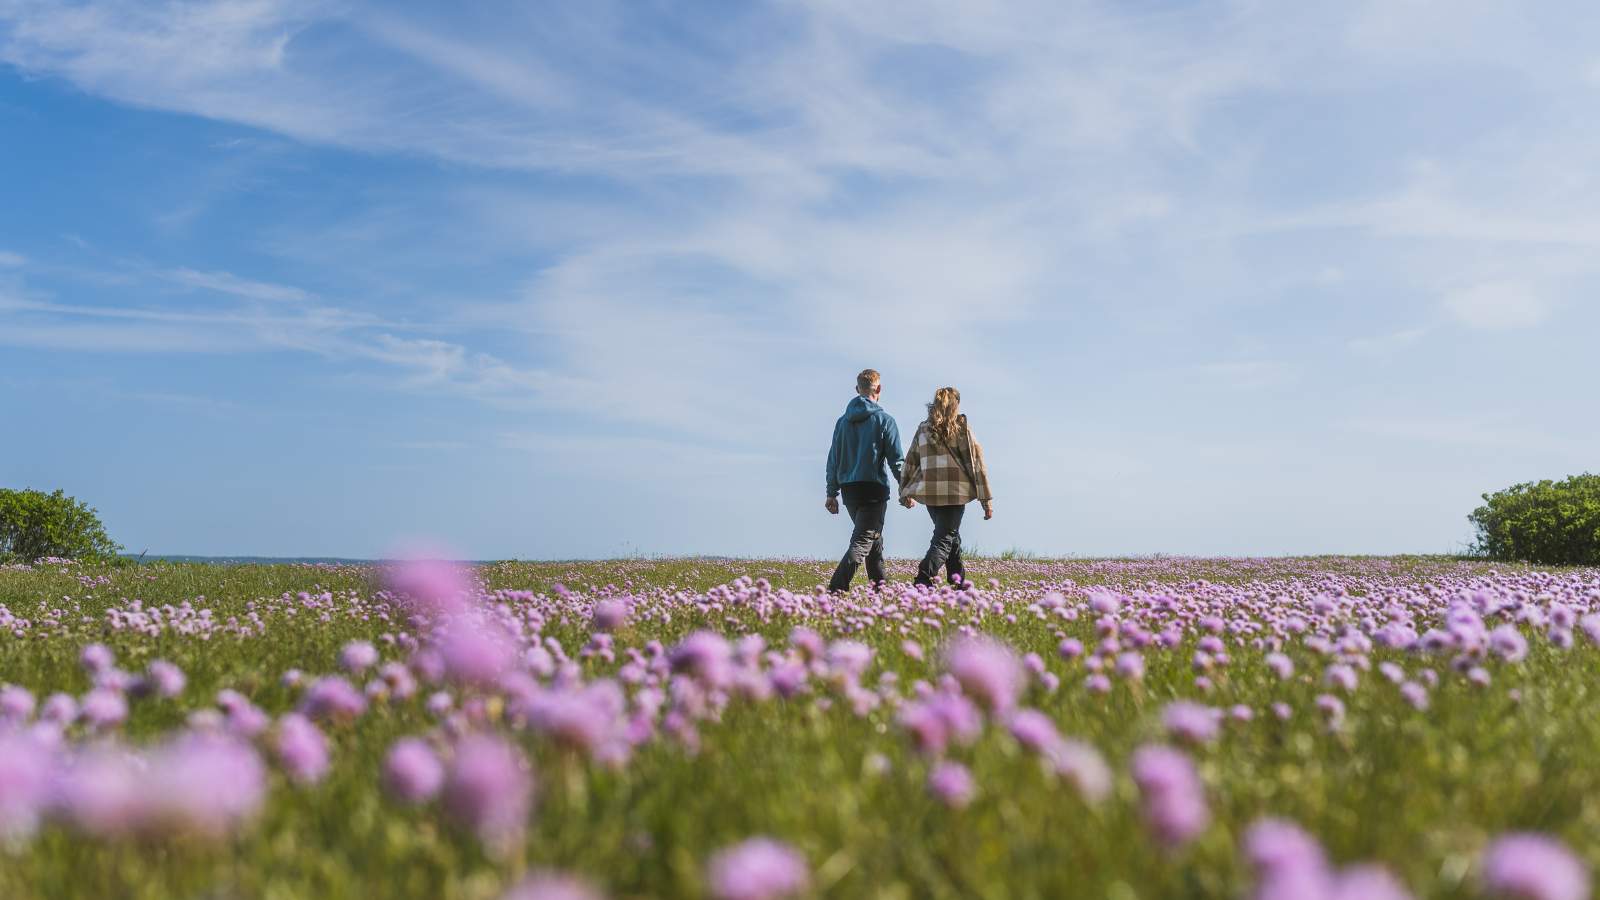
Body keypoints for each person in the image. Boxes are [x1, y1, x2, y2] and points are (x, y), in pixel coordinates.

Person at [898, 386, 993, 588]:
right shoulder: (961, 429)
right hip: (955, 492)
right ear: (955, 404)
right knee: (944, 538)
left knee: (951, 535)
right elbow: (976, 464)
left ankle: (958, 582)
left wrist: (904, 490)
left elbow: (910, 461)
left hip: (931, 493)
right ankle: (923, 579)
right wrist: (986, 500)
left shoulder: (923, 429)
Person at [825, 369, 907, 592]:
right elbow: (896, 461)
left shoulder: (842, 423)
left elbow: (833, 458)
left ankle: (880, 589)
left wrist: (831, 492)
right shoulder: (885, 421)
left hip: (849, 490)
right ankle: (835, 588)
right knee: (863, 541)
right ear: (878, 389)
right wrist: (906, 488)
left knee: (874, 541)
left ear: (857, 390)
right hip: (873, 489)